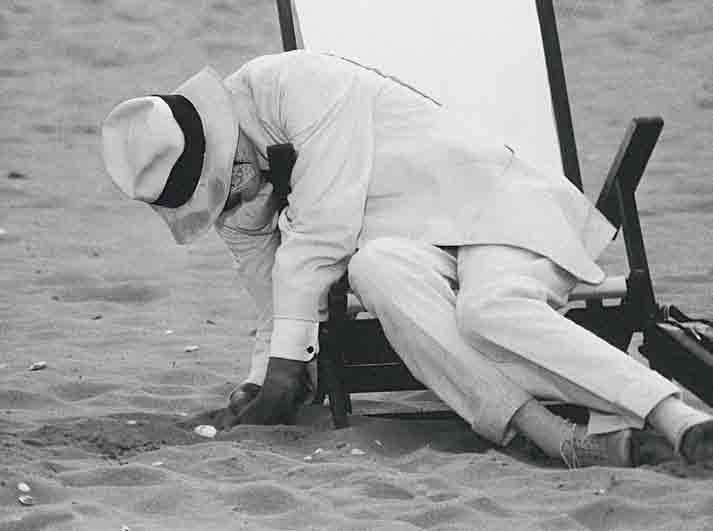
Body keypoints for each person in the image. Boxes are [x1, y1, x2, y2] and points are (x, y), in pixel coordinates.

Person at [101, 50, 713, 467]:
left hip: (495, 211)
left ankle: (673, 415)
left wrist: (286, 374)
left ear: (213, 133)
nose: (230, 198)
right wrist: (260, 380)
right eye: (216, 194)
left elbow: (321, 237)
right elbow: (274, 300)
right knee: (373, 270)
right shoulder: (234, 195)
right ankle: (550, 435)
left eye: (222, 180)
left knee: (488, 310)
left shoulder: (293, 85)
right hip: (411, 248)